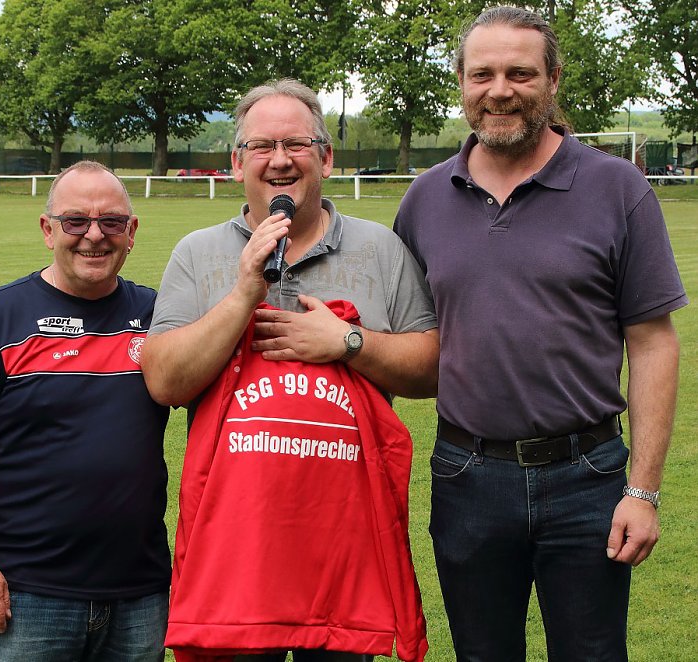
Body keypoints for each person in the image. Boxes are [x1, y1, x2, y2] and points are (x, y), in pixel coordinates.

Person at [393, 7, 688, 661]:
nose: (500, 89)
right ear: (462, 84)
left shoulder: (617, 188)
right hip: (466, 474)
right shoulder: (424, 200)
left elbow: (652, 341)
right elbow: (408, 346)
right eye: (483, 74)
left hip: (588, 476)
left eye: (520, 73)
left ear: (553, 80)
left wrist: (641, 491)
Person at [143, 79, 439, 662]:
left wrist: (347, 341)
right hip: (237, 551)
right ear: (237, 163)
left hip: (341, 549)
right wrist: (243, 293)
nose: (280, 160)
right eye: (261, 146)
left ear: (325, 158)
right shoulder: (198, 253)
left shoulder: (380, 249)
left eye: (297, 144)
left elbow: (431, 369)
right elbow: (165, 382)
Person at [0, 160, 171, 661]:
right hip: (28, 594)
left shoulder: (159, 316)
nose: (93, 236)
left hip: (140, 591)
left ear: (131, 233)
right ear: (48, 230)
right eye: (75, 221)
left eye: (110, 222)